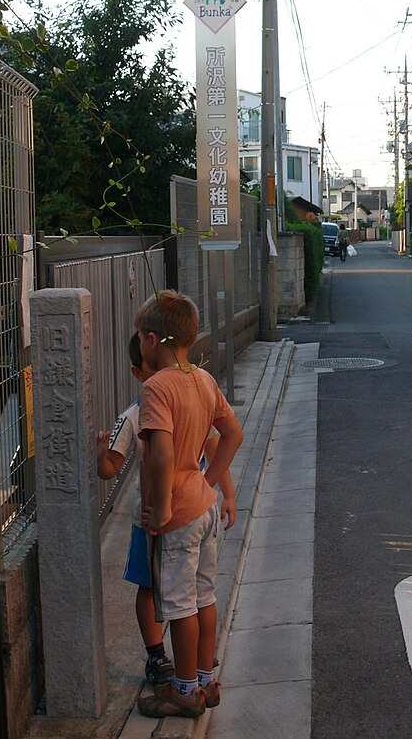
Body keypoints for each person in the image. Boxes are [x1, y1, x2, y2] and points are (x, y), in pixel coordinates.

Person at [95, 334, 237, 689]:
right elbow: (217, 443)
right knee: (179, 592)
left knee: (180, 598)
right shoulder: (161, 405)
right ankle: (180, 662)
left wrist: (225, 492)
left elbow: (215, 445)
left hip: (166, 517)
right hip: (175, 514)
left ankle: (184, 674)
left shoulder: (160, 403)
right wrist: (216, 489)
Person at [133, 291, 244, 719]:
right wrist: (209, 480)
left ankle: (183, 692)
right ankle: (205, 681)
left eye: (141, 336)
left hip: (177, 514)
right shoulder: (202, 379)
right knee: (204, 597)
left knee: (178, 607)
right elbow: (233, 434)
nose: (139, 343)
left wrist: (160, 509)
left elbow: (160, 453)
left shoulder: (156, 387)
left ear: (153, 338)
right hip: (205, 507)